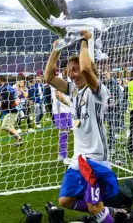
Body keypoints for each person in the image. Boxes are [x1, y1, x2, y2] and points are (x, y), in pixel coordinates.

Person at [44, 32, 118, 223]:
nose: (71, 74)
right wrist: (56, 50)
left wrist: (85, 40)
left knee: (94, 207)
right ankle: (106, 211)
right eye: (69, 70)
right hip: (79, 158)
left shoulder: (98, 91)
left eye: (74, 70)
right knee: (65, 200)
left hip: (95, 159)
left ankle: (102, 212)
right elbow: (49, 77)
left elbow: (87, 69)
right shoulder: (74, 91)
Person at [51, 62, 72, 165]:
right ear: (65, 68)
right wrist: (70, 104)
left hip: (68, 110)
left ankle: (60, 154)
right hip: (59, 110)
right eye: (69, 68)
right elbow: (58, 95)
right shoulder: (57, 79)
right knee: (63, 132)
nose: (71, 70)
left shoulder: (69, 79)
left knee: (66, 132)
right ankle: (64, 156)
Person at [103, 69, 125, 156]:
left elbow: (121, 96)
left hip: (112, 110)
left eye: (105, 74)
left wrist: (116, 102)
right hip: (103, 110)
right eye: (103, 74)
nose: (104, 76)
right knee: (100, 127)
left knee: (111, 128)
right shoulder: (102, 83)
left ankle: (111, 147)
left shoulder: (114, 84)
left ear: (109, 74)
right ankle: (102, 145)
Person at [0, 76, 23, 146]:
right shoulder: (8, 86)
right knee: (11, 126)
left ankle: (19, 138)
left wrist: (1, 104)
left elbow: (10, 100)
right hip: (13, 109)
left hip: (11, 110)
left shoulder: (5, 88)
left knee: (4, 126)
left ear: (0, 80)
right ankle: (19, 141)